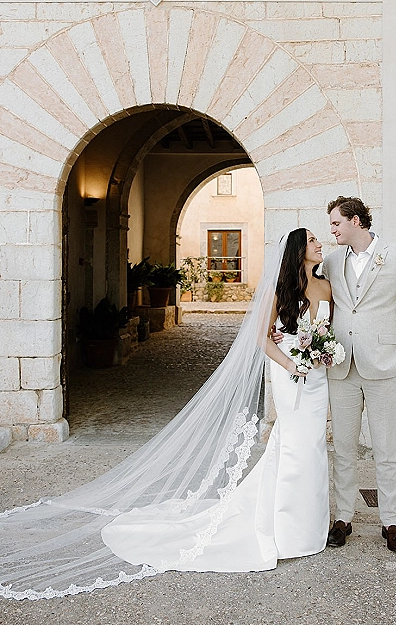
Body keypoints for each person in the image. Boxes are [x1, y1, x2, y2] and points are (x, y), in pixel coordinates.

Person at [0, 229, 332, 600]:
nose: (320, 245)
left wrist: (325, 355)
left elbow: (329, 331)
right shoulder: (280, 291)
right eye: (314, 241)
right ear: (299, 250)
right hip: (289, 376)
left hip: (318, 379)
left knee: (313, 446)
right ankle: (288, 529)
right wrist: (290, 363)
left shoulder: (326, 286)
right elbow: (260, 335)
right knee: (295, 447)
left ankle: (308, 524)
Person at [322, 196, 396, 554]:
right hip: (342, 367)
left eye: (336, 223)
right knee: (344, 448)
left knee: (385, 448)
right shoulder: (332, 262)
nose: (332, 230)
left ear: (356, 221)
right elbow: (312, 297)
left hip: (385, 367)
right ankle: (343, 517)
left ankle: (390, 521)